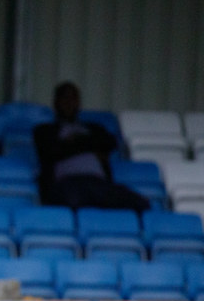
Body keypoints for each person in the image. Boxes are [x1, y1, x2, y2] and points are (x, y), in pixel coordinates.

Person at [33, 81, 149, 213]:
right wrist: (90, 147)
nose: (69, 103)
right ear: (56, 102)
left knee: (140, 203)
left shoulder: (94, 128)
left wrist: (72, 143)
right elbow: (51, 151)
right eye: (65, 98)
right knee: (73, 202)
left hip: (98, 183)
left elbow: (111, 142)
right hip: (67, 184)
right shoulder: (45, 131)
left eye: (74, 98)